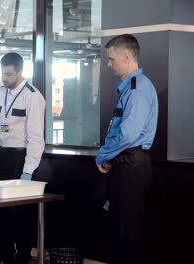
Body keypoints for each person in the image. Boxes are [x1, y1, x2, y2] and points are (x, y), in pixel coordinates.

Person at [0, 52, 45, 264]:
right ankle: (4, 256)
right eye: (2, 73)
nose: (4, 78)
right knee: (0, 212)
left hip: (22, 159)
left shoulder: (32, 96)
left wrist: (29, 169)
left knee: (21, 215)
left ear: (20, 72)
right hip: (2, 158)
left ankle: (22, 258)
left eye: (9, 74)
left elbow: (36, 138)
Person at [96, 34, 158, 264]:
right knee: (120, 231)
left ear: (127, 56)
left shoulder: (136, 89)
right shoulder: (129, 88)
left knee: (127, 233)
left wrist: (103, 154)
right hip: (125, 164)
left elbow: (128, 134)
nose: (109, 64)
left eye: (112, 59)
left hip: (132, 166)